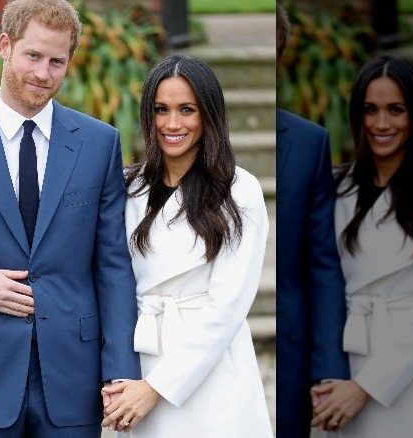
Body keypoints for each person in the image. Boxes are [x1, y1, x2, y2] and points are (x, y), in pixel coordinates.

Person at [0, 0, 141, 436]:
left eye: (57, 61)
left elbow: (113, 265)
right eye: (33, 56)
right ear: (5, 46)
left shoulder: (100, 143)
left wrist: (120, 370)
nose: (43, 74)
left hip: (75, 377)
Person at [99, 53, 273, 437]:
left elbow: (227, 307)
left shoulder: (239, 190)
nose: (172, 124)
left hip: (209, 373)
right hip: (138, 363)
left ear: (209, 115)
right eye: (161, 109)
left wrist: (157, 388)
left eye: (187, 110)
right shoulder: (127, 186)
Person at [309, 54, 413, 437]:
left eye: (395, 110)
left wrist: (365, 388)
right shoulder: (336, 187)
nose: (381, 124)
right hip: (346, 362)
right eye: (370, 110)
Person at [274, 3, 351, 437]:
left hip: (291, 357)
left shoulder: (310, 143)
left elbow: (322, 262)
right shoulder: (194, 132)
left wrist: (328, 370)